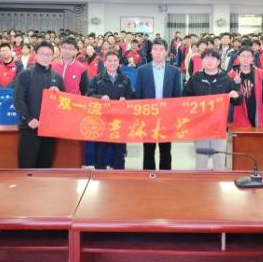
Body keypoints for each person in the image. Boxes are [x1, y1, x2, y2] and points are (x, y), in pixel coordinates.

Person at [183, 48, 241, 171]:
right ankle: (201, 182)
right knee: (201, 162)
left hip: (219, 127)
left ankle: (218, 182)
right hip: (200, 126)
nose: (209, 61)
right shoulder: (195, 78)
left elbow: (237, 101)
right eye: (206, 58)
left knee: (219, 162)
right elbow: (185, 99)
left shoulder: (226, 79)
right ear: (202, 61)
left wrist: (236, 95)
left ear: (218, 61)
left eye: (213, 58)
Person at [14, 41, 65, 168]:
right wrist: (28, 119)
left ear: (53, 56)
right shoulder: (25, 74)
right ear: (35, 55)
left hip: (49, 129)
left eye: (49, 54)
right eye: (42, 54)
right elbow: (18, 99)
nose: (45, 57)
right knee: (27, 166)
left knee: (45, 167)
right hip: (29, 127)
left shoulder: (57, 78)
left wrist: (59, 95)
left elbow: (64, 103)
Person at [135, 38, 182, 170]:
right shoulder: (142, 70)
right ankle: (148, 176)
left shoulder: (174, 71)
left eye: (161, 49)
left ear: (166, 52)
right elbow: (138, 94)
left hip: (167, 116)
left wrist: (175, 116)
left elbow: (177, 95)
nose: (158, 52)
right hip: (148, 116)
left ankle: (165, 176)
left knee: (165, 150)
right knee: (148, 150)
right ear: (151, 52)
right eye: (155, 49)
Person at [86, 51, 133, 170]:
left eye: (115, 61)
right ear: (105, 63)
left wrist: (126, 99)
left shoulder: (126, 80)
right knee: (100, 155)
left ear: (119, 63)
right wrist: (100, 98)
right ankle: (99, 178)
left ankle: (118, 178)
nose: (112, 63)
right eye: (109, 61)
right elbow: (88, 96)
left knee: (119, 156)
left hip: (119, 124)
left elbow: (131, 97)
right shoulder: (96, 79)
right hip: (101, 123)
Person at [228, 47, 263, 128]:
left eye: (249, 56)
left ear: (252, 58)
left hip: (256, 108)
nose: (246, 59)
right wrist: (235, 83)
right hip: (239, 110)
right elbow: (229, 95)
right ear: (238, 57)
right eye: (243, 56)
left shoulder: (260, 73)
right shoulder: (232, 74)